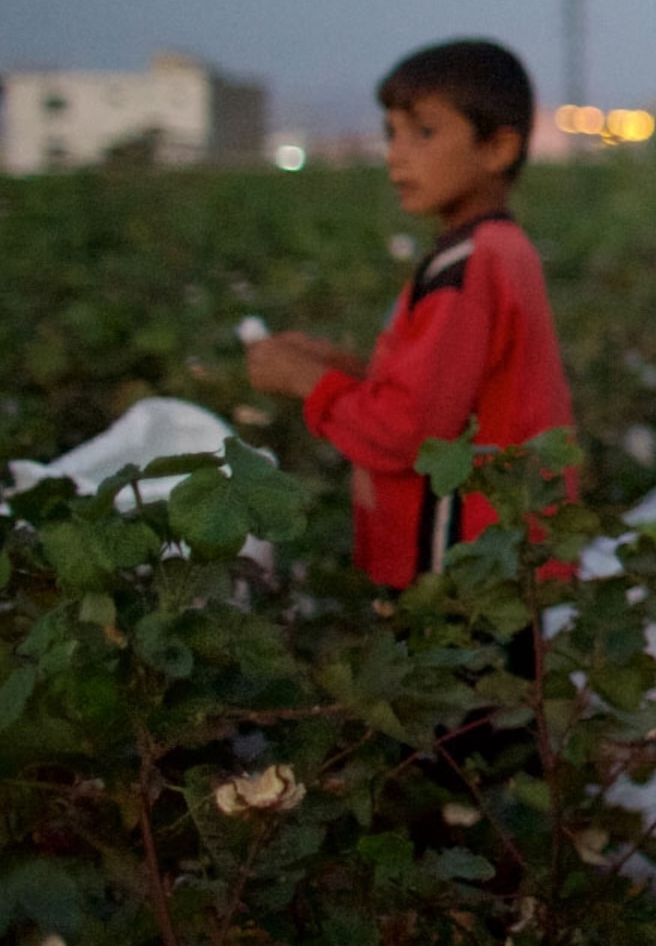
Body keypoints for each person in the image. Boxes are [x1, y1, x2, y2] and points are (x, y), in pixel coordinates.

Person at [244, 38, 574, 587]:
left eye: (424, 132)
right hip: (506, 562)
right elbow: (445, 394)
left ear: (498, 149)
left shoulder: (469, 267)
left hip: (465, 572)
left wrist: (308, 381)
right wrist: (340, 368)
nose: (397, 153)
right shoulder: (489, 250)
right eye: (391, 133)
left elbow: (410, 434)